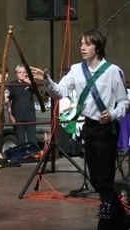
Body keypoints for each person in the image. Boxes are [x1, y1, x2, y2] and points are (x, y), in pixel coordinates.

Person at [31, 29, 130, 230]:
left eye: (87, 44)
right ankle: (121, 216)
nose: (82, 48)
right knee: (95, 178)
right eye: (81, 44)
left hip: (107, 128)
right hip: (89, 127)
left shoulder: (113, 71)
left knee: (104, 178)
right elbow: (59, 93)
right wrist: (46, 80)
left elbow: (124, 102)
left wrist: (112, 114)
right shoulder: (76, 70)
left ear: (98, 47)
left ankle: (107, 221)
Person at [7, 64, 38, 146]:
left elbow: (39, 94)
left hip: (30, 116)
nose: (22, 74)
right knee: (21, 140)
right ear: (16, 73)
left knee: (32, 140)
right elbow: (8, 100)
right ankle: (22, 157)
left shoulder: (29, 83)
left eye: (24, 72)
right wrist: (10, 115)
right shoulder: (12, 84)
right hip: (18, 117)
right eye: (20, 72)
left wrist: (31, 84)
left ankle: (33, 157)